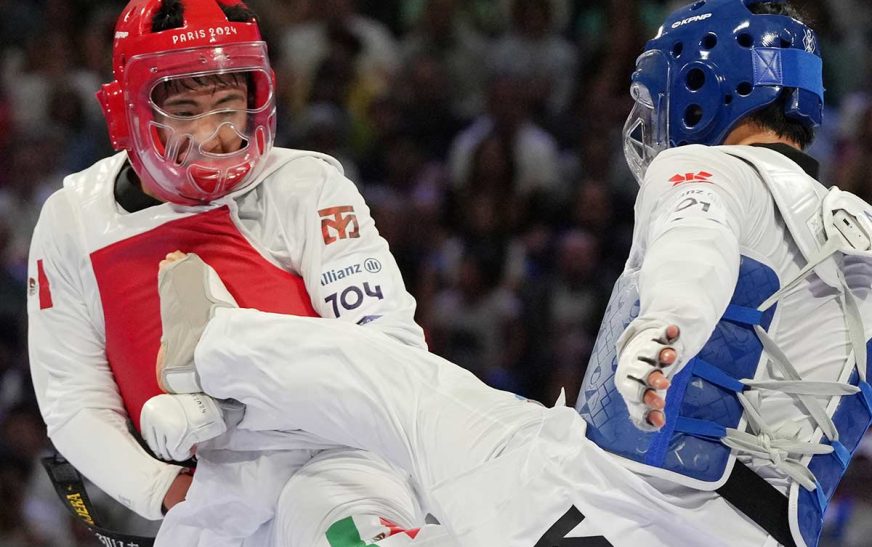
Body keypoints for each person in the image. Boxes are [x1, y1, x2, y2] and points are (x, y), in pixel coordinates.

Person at [140, 1, 872, 546]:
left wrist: (665, 320)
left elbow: (696, 245)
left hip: (608, 499)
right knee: (368, 490)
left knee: (394, 396)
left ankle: (211, 345)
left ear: (701, 90)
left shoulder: (704, 166)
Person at [27, 0, 453, 545]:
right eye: (185, 112)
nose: (215, 135)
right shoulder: (74, 220)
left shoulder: (305, 188)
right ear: (125, 114)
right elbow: (73, 403)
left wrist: (241, 395)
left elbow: (389, 347)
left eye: (229, 105)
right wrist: (166, 490)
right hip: (206, 502)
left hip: (338, 463)